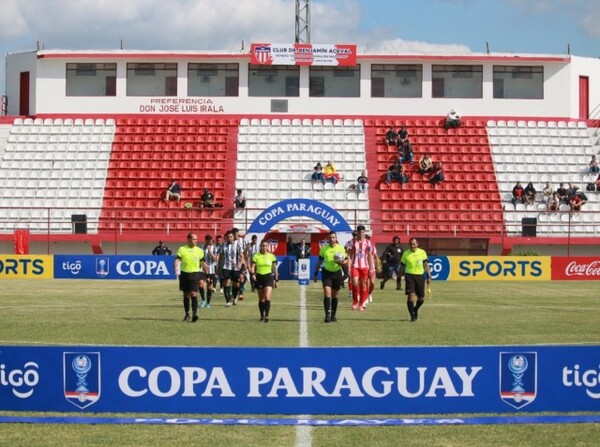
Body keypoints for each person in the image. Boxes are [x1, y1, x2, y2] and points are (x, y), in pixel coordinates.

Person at [313, 231, 348, 323]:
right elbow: (319, 262)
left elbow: (346, 260)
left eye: (333, 237)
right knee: (327, 293)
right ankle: (327, 315)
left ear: (336, 238)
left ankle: (333, 315)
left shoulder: (341, 249)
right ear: (327, 239)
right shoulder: (324, 249)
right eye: (330, 238)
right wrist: (315, 273)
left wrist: (342, 262)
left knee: (335, 295)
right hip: (326, 273)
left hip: (337, 273)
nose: (332, 239)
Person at [174, 233, 207, 323]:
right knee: (186, 295)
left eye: (196, 239)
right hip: (184, 274)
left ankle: (195, 314)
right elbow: (177, 259)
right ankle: (187, 314)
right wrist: (176, 265)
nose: (196, 241)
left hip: (195, 274)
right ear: (188, 239)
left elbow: (203, 263)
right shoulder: (182, 249)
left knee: (194, 294)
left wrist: (206, 274)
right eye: (194, 239)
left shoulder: (200, 250)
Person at [399, 238, 432, 322]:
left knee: (421, 299)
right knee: (410, 296)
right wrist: (399, 276)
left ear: (417, 244)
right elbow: (402, 266)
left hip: (420, 276)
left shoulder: (422, 252)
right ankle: (412, 316)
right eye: (411, 244)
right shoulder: (405, 254)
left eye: (414, 244)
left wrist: (429, 276)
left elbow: (426, 265)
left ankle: (415, 309)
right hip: (409, 276)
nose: (412, 246)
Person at [348, 225, 375, 312]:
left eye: (363, 232)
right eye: (359, 232)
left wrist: (371, 268)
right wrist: (349, 267)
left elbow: (370, 256)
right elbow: (349, 256)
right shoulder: (352, 242)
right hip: (355, 266)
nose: (361, 234)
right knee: (355, 283)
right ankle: (355, 300)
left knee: (364, 284)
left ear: (364, 233)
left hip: (365, 266)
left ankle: (362, 303)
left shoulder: (368, 243)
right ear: (357, 232)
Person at [251, 239, 278, 323]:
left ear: (267, 247)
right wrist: (252, 274)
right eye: (263, 246)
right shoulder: (256, 256)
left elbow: (275, 268)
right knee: (261, 299)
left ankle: (267, 315)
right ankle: (261, 315)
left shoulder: (271, 256)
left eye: (266, 246)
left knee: (267, 297)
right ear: (260, 246)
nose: (264, 247)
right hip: (259, 277)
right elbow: (253, 267)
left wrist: (276, 278)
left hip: (268, 277)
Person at [218, 231, 243, 306]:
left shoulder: (237, 244)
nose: (229, 238)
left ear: (233, 237)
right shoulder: (223, 245)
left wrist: (239, 263)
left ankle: (235, 296)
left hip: (235, 267)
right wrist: (219, 267)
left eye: (231, 237)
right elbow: (221, 257)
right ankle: (228, 301)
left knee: (237, 284)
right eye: (228, 237)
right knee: (227, 282)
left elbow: (241, 256)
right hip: (226, 267)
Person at [201, 235, 219, 309]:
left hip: (211, 269)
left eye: (210, 241)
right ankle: (203, 300)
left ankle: (208, 303)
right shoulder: (202, 247)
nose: (209, 243)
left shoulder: (214, 248)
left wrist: (209, 251)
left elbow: (215, 259)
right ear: (205, 241)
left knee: (209, 286)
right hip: (202, 269)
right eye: (207, 241)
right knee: (201, 284)